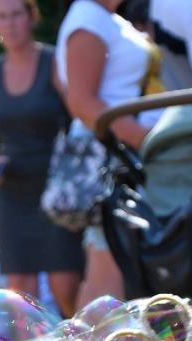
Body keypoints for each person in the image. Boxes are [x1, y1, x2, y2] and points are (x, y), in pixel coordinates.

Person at [0, 0, 83, 318]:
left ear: (32, 16)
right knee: (20, 293)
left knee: (65, 286)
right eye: (2, 17)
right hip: (11, 192)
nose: (10, 24)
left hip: (55, 192)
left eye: (17, 14)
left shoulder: (54, 62)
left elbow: (79, 115)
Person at [55, 0, 160, 305]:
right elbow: (82, 101)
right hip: (111, 158)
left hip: (118, 154)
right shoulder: (88, 17)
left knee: (106, 254)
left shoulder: (104, 17)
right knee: (108, 259)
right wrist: (148, 140)